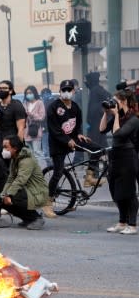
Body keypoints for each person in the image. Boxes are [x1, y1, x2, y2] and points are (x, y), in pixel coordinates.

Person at [46, 79, 98, 218]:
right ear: (60, 91)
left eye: (69, 90)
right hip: (58, 144)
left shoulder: (75, 107)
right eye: (64, 90)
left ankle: (89, 176)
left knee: (96, 149)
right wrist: (66, 140)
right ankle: (48, 203)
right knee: (58, 172)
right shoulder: (53, 107)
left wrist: (79, 134)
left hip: (72, 139)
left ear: (74, 91)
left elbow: (78, 123)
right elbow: (54, 129)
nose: (67, 92)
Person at [98, 89, 138, 235]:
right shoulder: (118, 116)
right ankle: (122, 222)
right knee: (116, 191)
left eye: (116, 101)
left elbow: (118, 134)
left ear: (124, 101)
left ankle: (132, 224)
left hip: (128, 156)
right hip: (116, 156)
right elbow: (102, 129)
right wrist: (106, 112)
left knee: (129, 192)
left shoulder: (133, 119)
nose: (113, 103)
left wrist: (115, 116)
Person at [0, 135, 49, 230]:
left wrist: (9, 195)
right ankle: (27, 219)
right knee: (3, 200)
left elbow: (20, 180)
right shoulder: (15, 159)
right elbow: (10, 179)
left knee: (13, 198)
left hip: (37, 192)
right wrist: (2, 196)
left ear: (15, 148)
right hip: (27, 191)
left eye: (6, 147)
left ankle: (36, 218)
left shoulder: (27, 160)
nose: (3, 150)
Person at [0, 80, 26, 155]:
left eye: (3, 88)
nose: (0, 90)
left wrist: (17, 148)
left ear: (10, 91)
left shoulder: (17, 105)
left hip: (13, 147)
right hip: (0, 147)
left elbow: (21, 129)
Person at [85, 72, 111, 148]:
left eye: (87, 81)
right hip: (96, 122)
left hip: (96, 122)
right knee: (100, 142)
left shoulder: (95, 90)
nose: (86, 83)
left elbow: (109, 98)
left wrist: (101, 110)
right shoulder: (96, 89)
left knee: (96, 143)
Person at [23, 85, 48, 167]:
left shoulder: (39, 103)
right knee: (29, 154)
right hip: (26, 132)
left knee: (37, 152)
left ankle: (42, 170)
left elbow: (42, 116)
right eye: (27, 93)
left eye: (30, 93)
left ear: (34, 93)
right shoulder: (25, 104)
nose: (28, 95)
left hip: (35, 131)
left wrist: (32, 115)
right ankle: (33, 171)